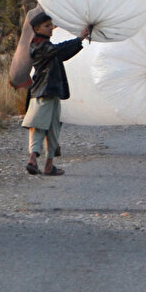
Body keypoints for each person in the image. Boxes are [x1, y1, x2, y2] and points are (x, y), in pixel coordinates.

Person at [22, 12, 91, 175]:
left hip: (49, 92)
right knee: (39, 127)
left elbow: (61, 53)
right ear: (37, 29)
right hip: (43, 92)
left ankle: (47, 164)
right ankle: (33, 159)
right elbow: (59, 51)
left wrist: (79, 40)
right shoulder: (39, 46)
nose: (51, 28)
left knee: (52, 127)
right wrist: (79, 39)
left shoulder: (43, 45)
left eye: (50, 25)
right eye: (47, 26)